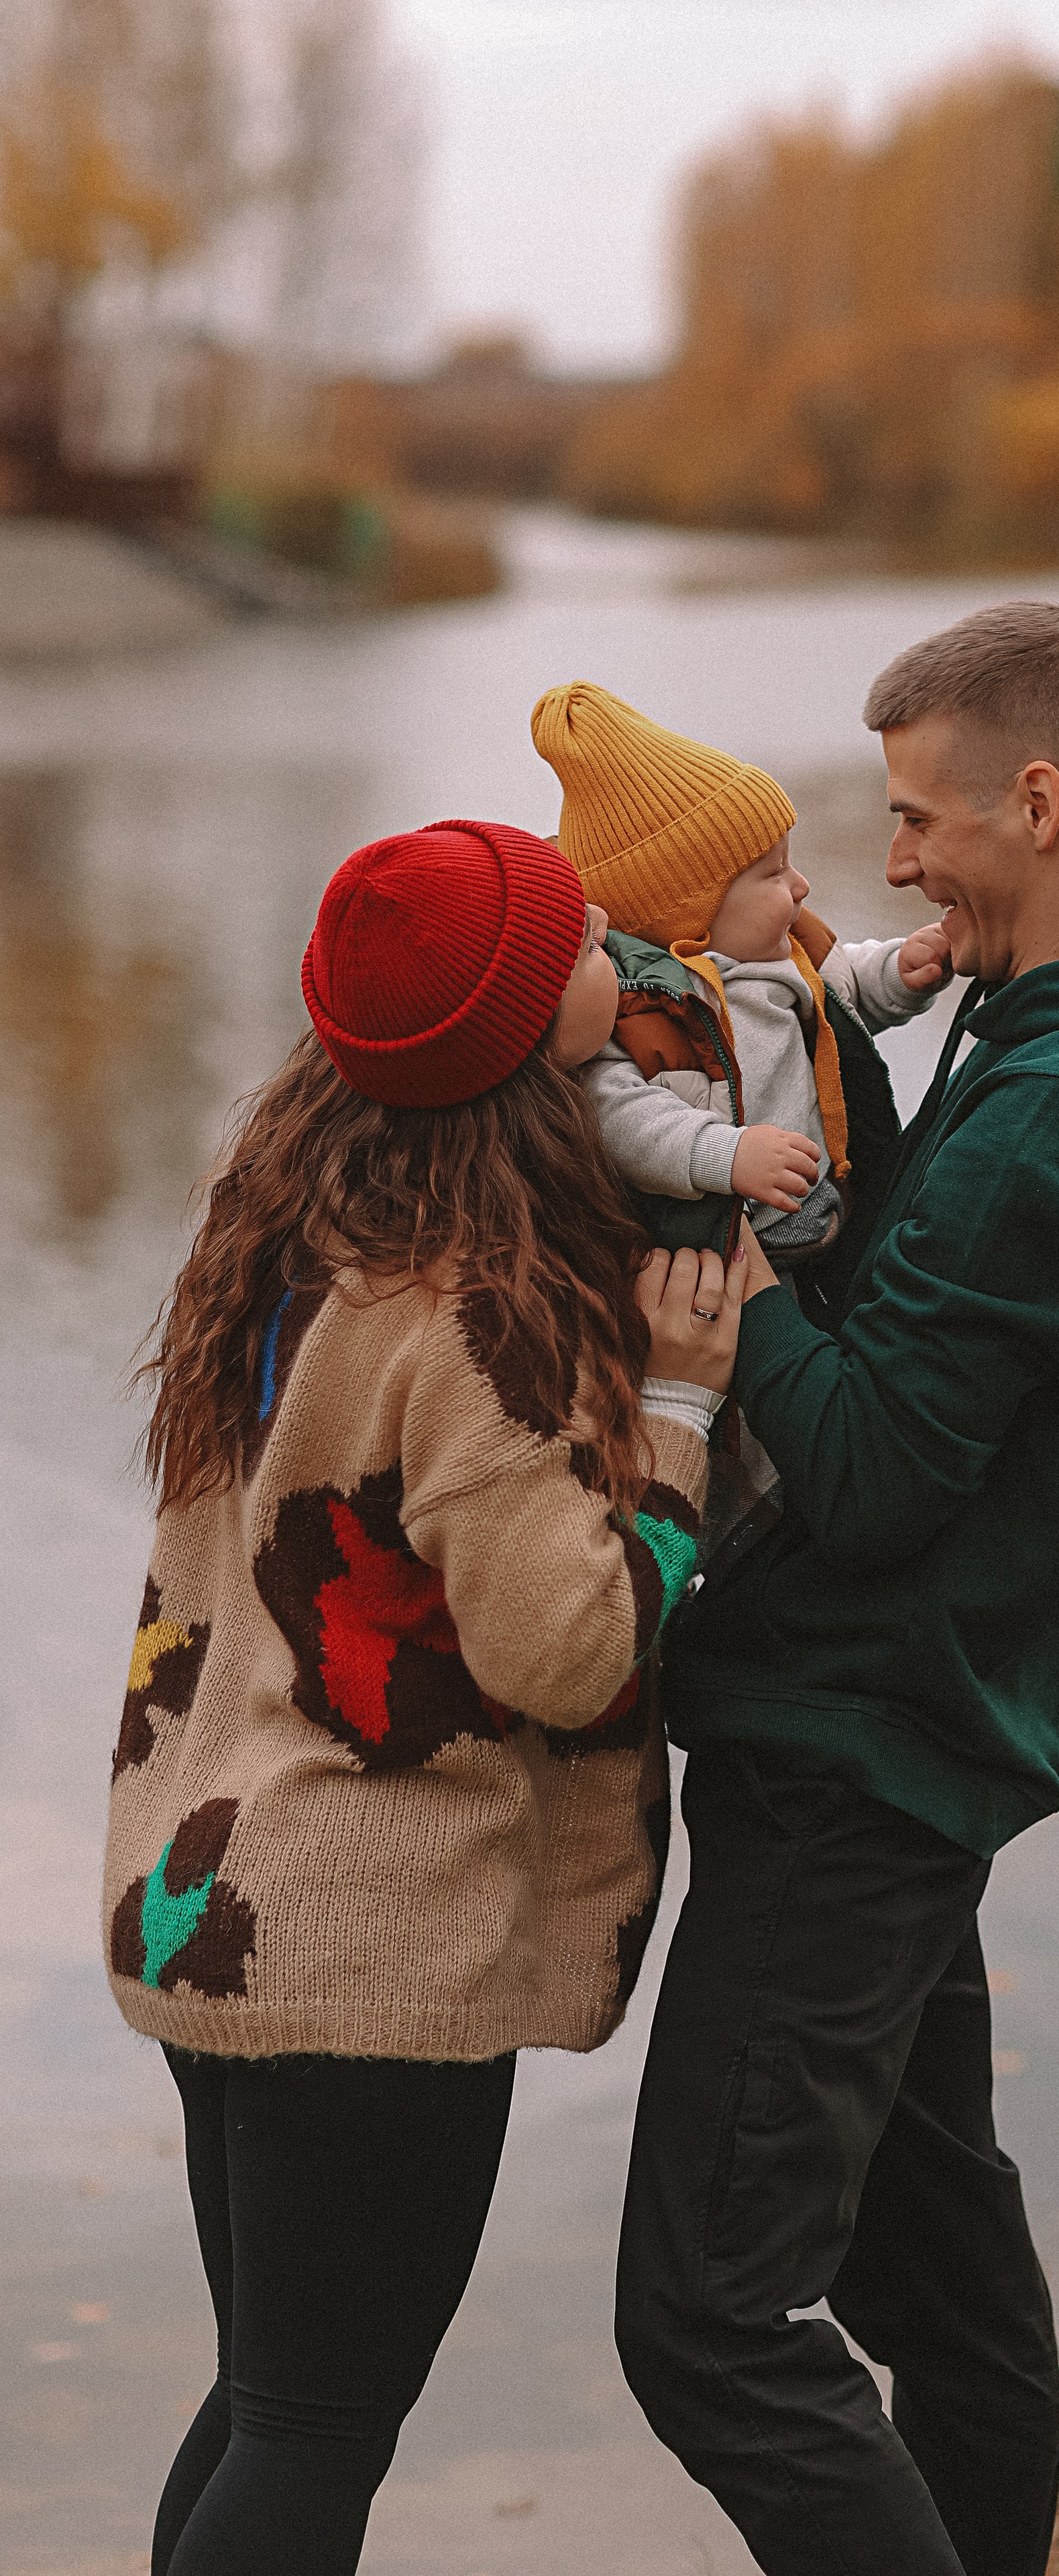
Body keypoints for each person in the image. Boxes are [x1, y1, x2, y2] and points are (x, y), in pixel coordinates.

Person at [613, 602, 1059, 2576]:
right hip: (916, 1736)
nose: (891, 863)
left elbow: (883, 1468)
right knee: (947, 2309)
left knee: (706, 2321)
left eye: (920, 820)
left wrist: (737, 1307)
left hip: (862, 1757)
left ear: (1037, 792)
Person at [102, 816, 744, 2576]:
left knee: (267, 2403)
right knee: (313, 2432)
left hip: (211, 1894)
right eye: (582, 945)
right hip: (362, 1938)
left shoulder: (283, 1238)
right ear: (525, 1036)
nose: (617, 947)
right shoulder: (475, 1320)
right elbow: (568, 1648)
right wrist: (681, 1415)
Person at [531, 682, 951, 1287]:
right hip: (731, 1258)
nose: (801, 885)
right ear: (691, 913)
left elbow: (843, 989)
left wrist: (901, 970)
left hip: (828, 1218)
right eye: (774, 872)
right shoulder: (636, 1007)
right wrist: (726, 1155)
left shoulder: (787, 950)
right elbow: (621, 1118)